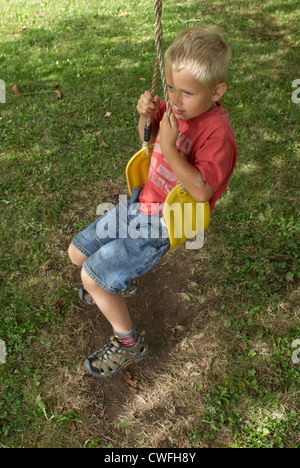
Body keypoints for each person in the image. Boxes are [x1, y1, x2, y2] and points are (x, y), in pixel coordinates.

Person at [68, 26, 238, 378]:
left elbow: (203, 190)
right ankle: (117, 281)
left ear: (216, 91)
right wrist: (145, 116)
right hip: (140, 201)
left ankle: (129, 344)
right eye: (170, 88)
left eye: (187, 92)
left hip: (163, 221)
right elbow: (148, 142)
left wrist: (173, 150)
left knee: (92, 277)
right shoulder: (174, 107)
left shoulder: (217, 132)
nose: (175, 100)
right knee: (77, 253)